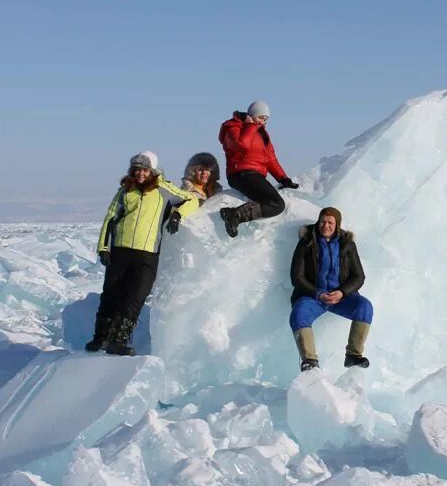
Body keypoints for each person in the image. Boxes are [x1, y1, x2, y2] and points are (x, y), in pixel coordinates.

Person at [87, 151, 199, 356]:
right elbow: (110, 219)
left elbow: (192, 201)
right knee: (111, 294)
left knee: (135, 297)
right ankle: (100, 337)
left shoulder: (164, 190)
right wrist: (103, 248)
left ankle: (118, 340)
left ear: (153, 171)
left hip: (147, 254)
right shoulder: (124, 191)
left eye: (145, 169)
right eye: (137, 169)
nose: (140, 173)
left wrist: (176, 214)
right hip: (119, 251)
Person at [289, 206, 372, 371]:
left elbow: (359, 276)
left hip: (340, 297)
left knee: (364, 307)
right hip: (313, 297)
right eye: (322, 221)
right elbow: (296, 276)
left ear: (337, 224)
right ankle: (310, 361)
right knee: (299, 314)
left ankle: (353, 355)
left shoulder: (347, 244)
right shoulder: (307, 242)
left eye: (330, 222)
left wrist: (342, 292)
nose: (325, 225)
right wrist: (318, 294)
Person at [217, 100, 299, 238]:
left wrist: (283, 178)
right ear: (251, 115)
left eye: (265, 119)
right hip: (240, 173)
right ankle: (234, 214)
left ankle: (235, 214)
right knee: (277, 204)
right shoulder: (233, 127)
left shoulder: (261, 134)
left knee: (276, 204)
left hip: (256, 176)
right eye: (260, 118)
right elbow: (241, 146)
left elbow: (270, 159)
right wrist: (250, 126)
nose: (263, 122)